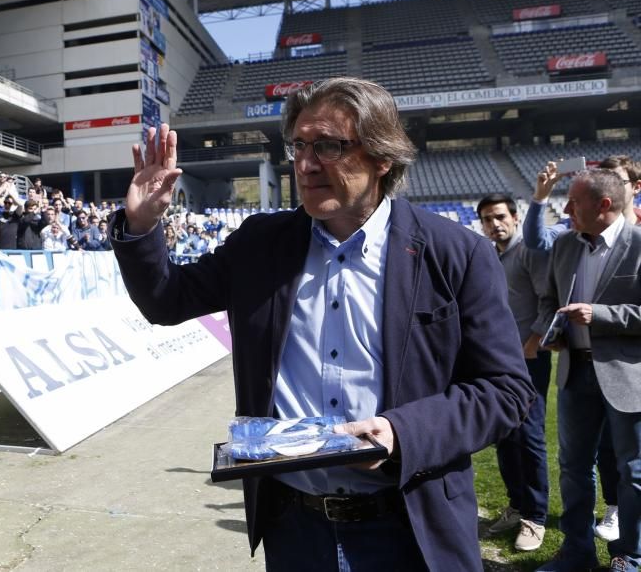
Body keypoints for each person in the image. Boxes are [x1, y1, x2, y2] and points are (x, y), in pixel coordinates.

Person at [110, 77, 534, 570]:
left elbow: (505, 391)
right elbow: (167, 301)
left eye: (330, 146)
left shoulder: (456, 253)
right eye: (300, 145)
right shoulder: (260, 244)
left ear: (383, 158)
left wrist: (400, 433)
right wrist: (141, 226)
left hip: (410, 526)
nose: (306, 165)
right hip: (294, 530)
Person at [524, 156, 639, 543]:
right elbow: (548, 297)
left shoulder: (638, 245)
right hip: (575, 372)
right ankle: (576, 551)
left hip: (627, 377)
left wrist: (600, 315)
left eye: (573, 201)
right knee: (572, 467)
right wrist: (550, 331)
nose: (567, 208)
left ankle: (630, 556)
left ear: (603, 205)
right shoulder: (565, 246)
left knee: (632, 472)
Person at [477, 194, 553, 552]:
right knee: (505, 435)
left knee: (531, 437)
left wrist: (534, 342)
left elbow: (547, 300)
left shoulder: (529, 252)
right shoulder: (488, 255)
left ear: (515, 217)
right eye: (488, 219)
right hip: (496, 362)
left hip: (528, 358)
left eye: (500, 217)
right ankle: (516, 505)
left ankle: (535, 517)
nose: (495, 224)